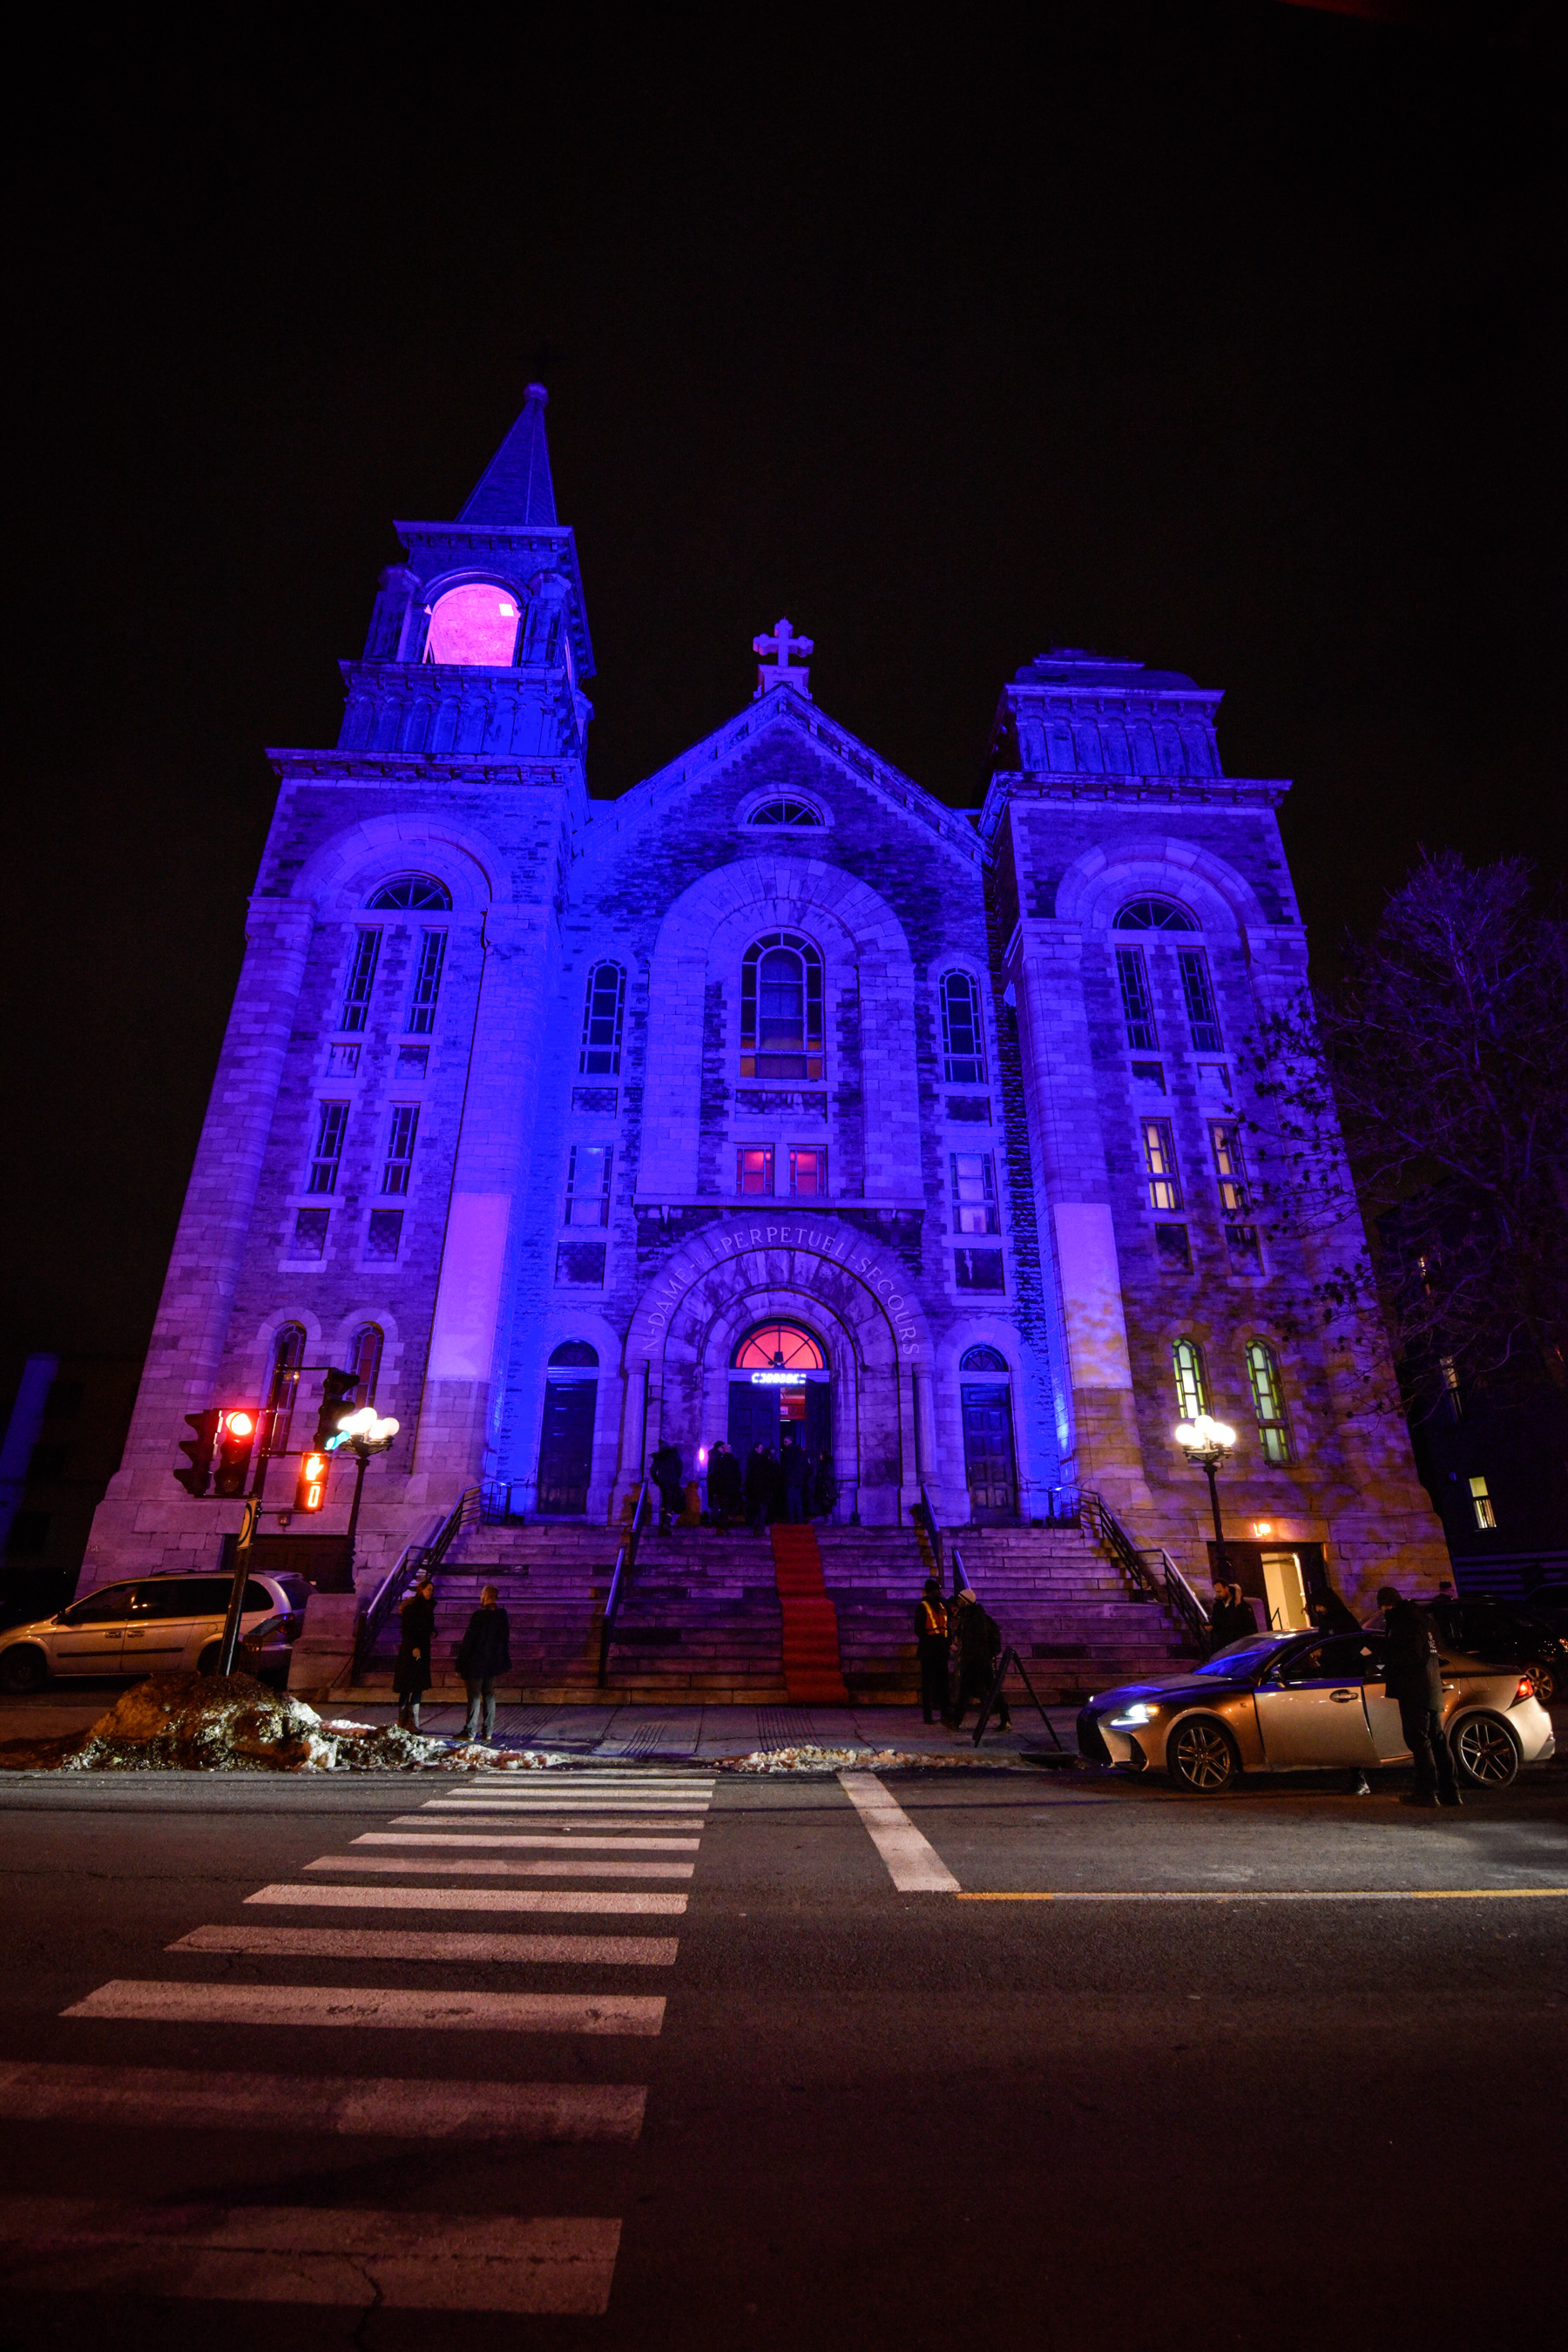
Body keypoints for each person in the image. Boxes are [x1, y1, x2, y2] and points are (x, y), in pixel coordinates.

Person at [1377, 1583, 1462, 1807]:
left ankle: (1427, 1792)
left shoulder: (1404, 1622)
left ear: (1387, 1605)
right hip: (1430, 1686)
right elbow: (1436, 1651)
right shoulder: (1423, 1620)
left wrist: (1386, 1659)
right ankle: (1451, 1791)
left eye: (1382, 1608)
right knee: (1437, 1739)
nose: (1383, 1613)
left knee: (1419, 1741)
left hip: (1413, 1689)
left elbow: (1410, 1655)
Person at [455, 1583, 511, 1746]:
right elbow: (504, 1639)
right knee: (489, 1695)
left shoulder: (479, 1616)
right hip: (492, 1663)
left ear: (485, 1597)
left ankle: (470, 1731)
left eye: (482, 1595)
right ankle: (488, 1731)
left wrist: (460, 1664)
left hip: (476, 1662)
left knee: (474, 1696)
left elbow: (469, 1641)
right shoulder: (502, 1616)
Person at [950, 1587, 1010, 1731]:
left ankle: (1006, 1718)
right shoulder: (967, 1618)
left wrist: (976, 1656)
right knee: (966, 1691)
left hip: (979, 1662)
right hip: (973, 1661)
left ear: (966, 1602)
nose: (958, 1603)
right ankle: (955, 1721)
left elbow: (978, 1643)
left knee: (992, 1690)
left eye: (960, 1600)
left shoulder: (976, 1619)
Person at [393, 1572, 436, 1731]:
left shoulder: (428, 1607)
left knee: (418, 1686)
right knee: (408, 1686)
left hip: (422, 1650)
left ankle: (412, 1722)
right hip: (411, 1652)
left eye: (432, 1590)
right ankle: (404, 1721)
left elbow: (428, 1627)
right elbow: (407, 1630)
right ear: (421, 1590)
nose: (431, 1592)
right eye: (428, 1589)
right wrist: (414, 1647)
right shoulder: (412, 1608)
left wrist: (433, 1632)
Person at [914, 1577, 950, 1724]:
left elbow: (947, 1626)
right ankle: (928, 1715)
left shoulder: (942, 1605)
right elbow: (919, 1629)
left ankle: (945, 1713)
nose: (938, 1593)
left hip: (941, 1650)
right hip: (929, 1650)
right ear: (930, 1592)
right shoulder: (923, 1606)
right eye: (936, 1590)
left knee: (943, 1683)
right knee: (928, 1684)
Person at [1208, 1579, 1258, 1652]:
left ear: (1226, 1589)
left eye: (1219, 1591)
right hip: (1223, 1646)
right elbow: (1216, 1623)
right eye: (1216, 1592)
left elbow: (1249, 1626)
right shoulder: (1218, 1606)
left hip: (1238, 1645)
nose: (1218, 1594)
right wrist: (1212, 1627)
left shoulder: (1241, 1606)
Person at [706, 1438, 743, 1532]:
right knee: (730, 1507)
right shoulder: (734, 1462)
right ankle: (726, 1525)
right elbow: (738, 1476)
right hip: (731, 1489)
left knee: (723, 1508)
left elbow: (716, 1476)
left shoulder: (719, 1461)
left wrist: (715, 1488)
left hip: (721, 1489)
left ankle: (722, 1527)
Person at [650, 1440, 683, 1531]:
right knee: (669, 1501)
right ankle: (666, 1522)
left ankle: (662, 1521)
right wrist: (676, 1477)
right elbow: (680, 1466)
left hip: (663, 1482)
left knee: (665, 1500)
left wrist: (657, 1480)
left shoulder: (659, 1457)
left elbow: (653, 1471)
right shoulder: (673, 1455)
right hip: (672, 1481)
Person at [744, 1440, 776, 1533]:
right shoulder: (767, 1464)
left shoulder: (757, 1462)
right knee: (762, 1509)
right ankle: (760, 1527)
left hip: (756, 1490)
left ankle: (756, 1526)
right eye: (760, 1448)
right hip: (763, 1490)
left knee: (757, 1509)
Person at [779, 1432, 809, 1523]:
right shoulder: (799, 1451)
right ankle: (800, 1520)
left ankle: (791, 1520)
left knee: (790, 1501)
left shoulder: (787, 1452)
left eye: (785, 1442)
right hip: (799, 1480)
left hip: (790, 1480)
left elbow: (786, 1467)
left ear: (790, 1441)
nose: (784, 1444)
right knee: (798, 1501)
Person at [813, 1450, 839, 1524]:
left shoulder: (827, 1464)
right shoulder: (822, 1464)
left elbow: (829, 1475)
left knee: (827, 1503)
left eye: (821, 1455)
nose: (820, 1456)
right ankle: (825, 1518)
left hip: (826, 1487)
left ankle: (829, 1519)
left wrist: (826, 1483)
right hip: (822, 1486)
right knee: (823, 1503)